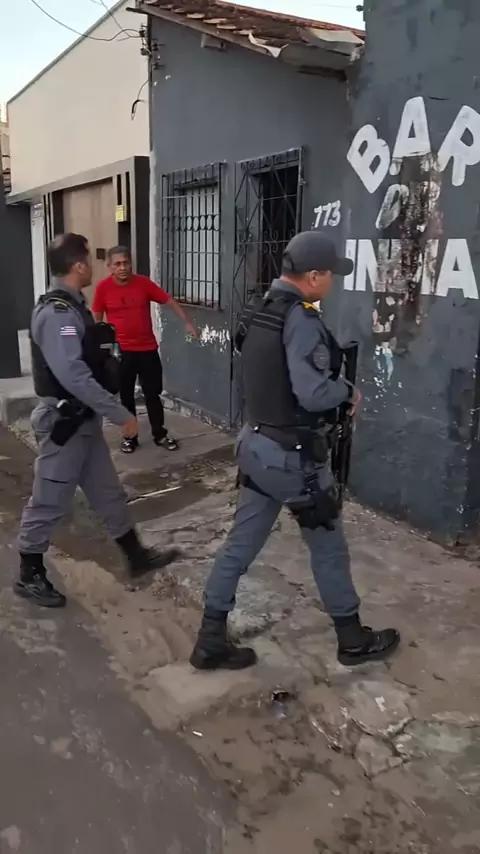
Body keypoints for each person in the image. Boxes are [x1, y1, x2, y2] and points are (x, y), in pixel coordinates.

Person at [190, 231, 400, 671]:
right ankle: (351, 639)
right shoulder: (301, 319)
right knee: (328, 545)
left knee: (240, 545)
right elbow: (311, 392)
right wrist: (347, 391)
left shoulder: (260, 308)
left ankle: (210, 639)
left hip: (257, 446)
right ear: (314, 275)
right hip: (293, 457)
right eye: (331, 274)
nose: (333, 282)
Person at [15, 233, 179, 609]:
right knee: (49, 499)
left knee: (108, 493)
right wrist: (119, 413)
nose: (92, 266)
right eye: (88, 260)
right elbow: (73, 375)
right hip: (65, 424)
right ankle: (29, 572)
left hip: (83, 422)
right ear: (78, 266)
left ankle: (136, 556)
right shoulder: (57, 315)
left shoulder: (74, 307)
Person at [92, 247, 197, 454]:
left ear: (131, 263)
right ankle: (130, 437)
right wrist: (100, 349)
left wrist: (187, 322)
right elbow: (97, 319)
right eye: (117, 264)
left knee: (152, 394)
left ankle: (160, 434)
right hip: (122, 352)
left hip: (147, 349)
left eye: (126, 262)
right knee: (126, 397)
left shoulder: (143, 283)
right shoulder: (103, 288)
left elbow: (168, 300)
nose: (123, 267)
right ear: (110, 266)